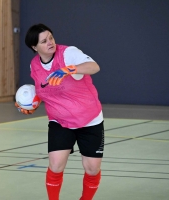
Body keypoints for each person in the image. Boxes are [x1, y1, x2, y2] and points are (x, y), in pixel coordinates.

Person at [15, 23, 104, 200]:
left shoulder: (68, 53)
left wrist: (70, 69)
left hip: (90, 119)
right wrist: (32, 104)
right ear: (35, 47)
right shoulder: (34, 66)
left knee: (92, 168)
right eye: (44, 41)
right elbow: (44, 89)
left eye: (51, 38)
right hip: (60, 121)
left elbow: (94, 67)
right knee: (55, 165)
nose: (50, 42)